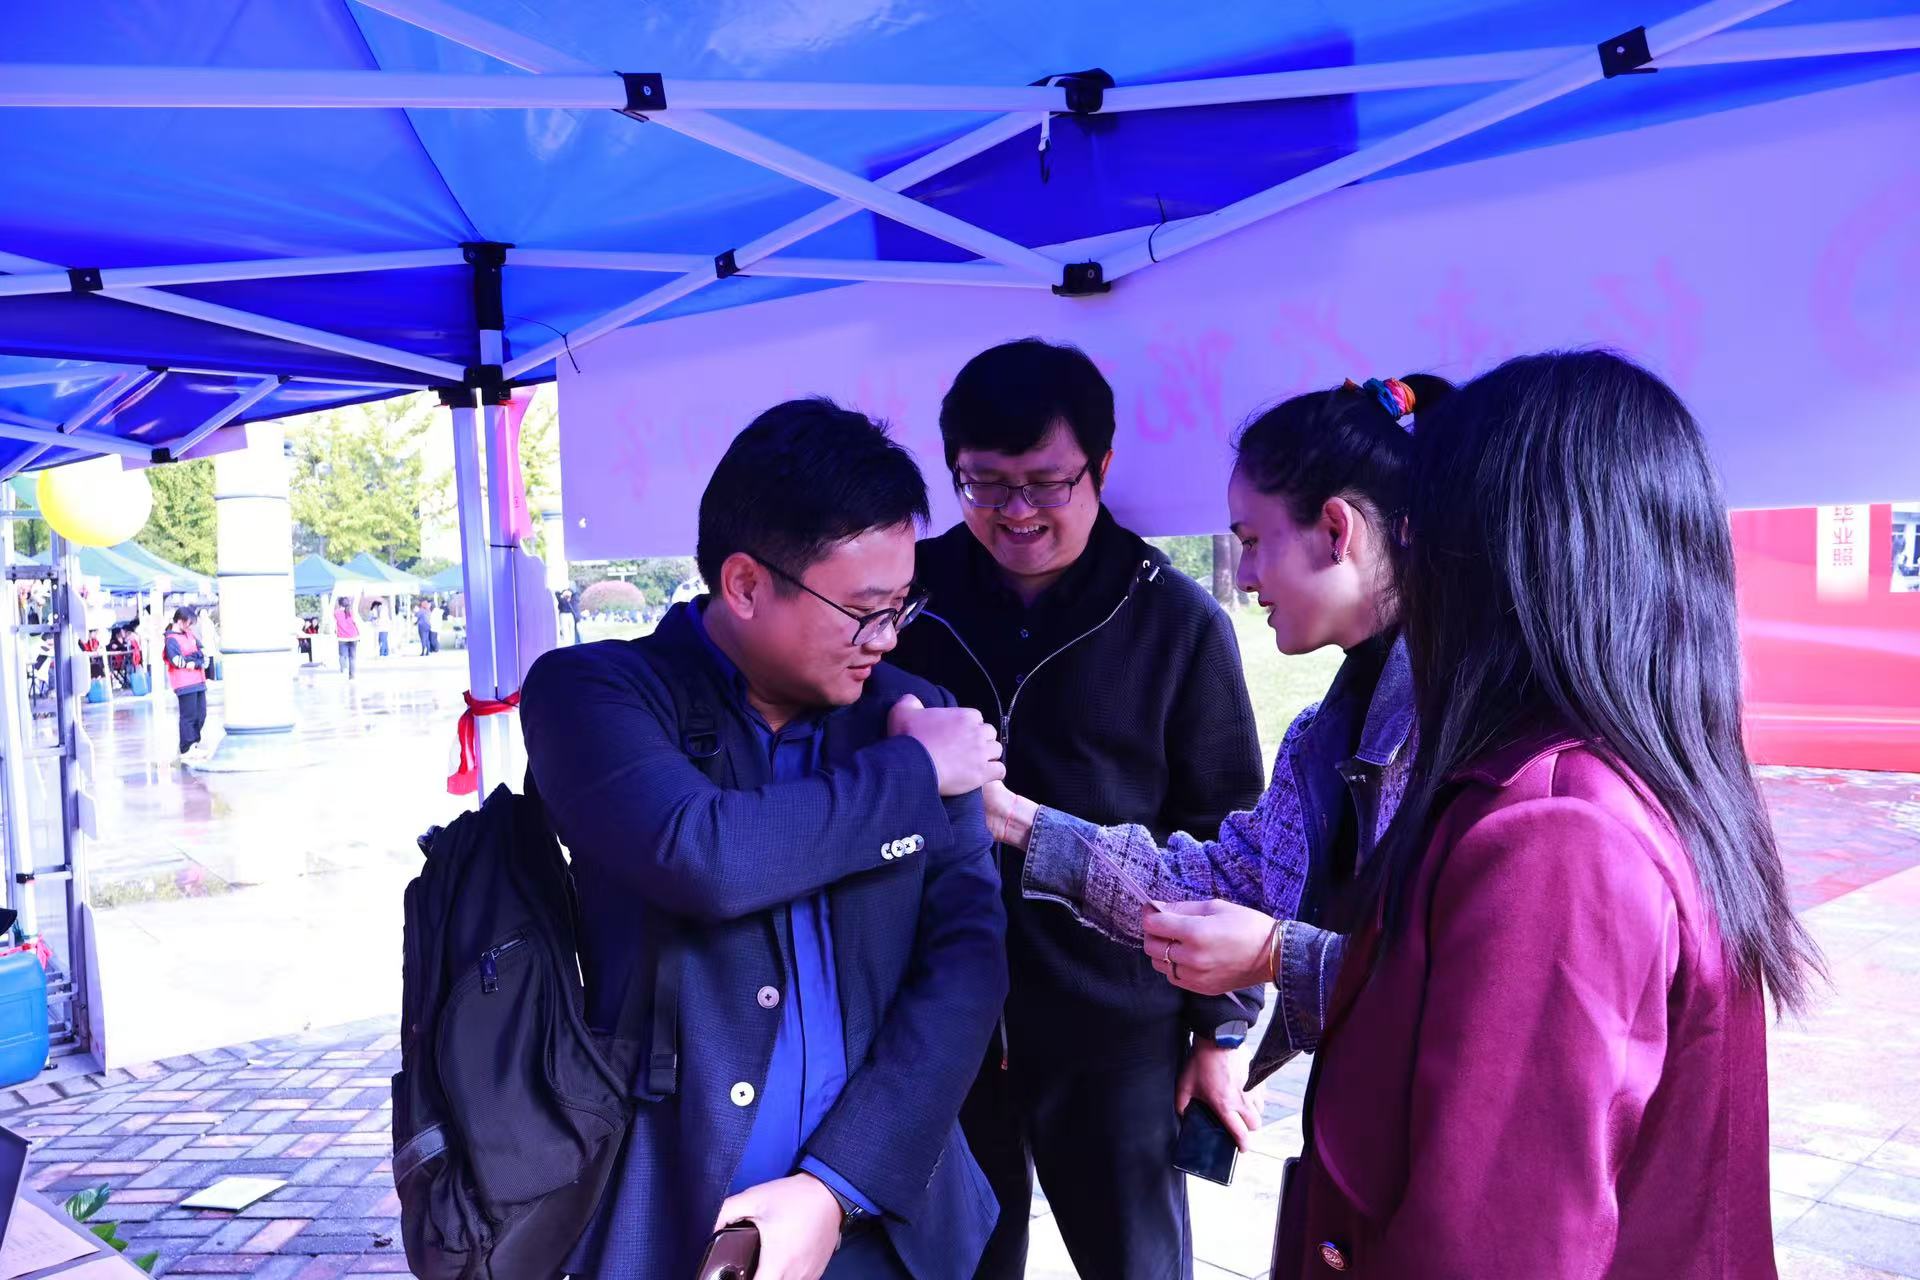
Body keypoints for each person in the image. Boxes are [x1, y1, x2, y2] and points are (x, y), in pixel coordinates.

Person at [521, 398, 1010, 1280]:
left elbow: (967, 966)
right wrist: (911, 775)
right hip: (668, 1220)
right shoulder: (594, 694)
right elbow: (700, 855)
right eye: (863, 610)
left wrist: (836, 1188)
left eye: (901, 606)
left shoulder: (913, 712)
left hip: (889, 1218)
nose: (886, 638)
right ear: (745, 585)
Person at [886, 339, 1266, 1280]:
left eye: (1047, 484)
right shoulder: (902, 602)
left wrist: (1219, 1031)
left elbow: (1228, 845)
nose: (1016, 511)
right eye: (984, 483)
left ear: (1100, 465)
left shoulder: (1176, 621)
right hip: (932, 1018)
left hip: (1117, 1028)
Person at [984, 374, 1446, 1130]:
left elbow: (1471, 992)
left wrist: (1273, 960)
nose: (1248, 576)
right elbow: (1219, 880)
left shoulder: (1466, 738)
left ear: (1337, 530)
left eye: (1254, 542)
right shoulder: (1319, 739)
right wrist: (1011, 819)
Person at [163, 606, 209, 761]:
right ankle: (186, 748)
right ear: (180, 621)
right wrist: (195, 660)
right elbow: (178, 661)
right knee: (189, 716)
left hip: (198, 680)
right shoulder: (171, 639)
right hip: (184, 683)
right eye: (188, 622)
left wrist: (193, 660)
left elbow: (203, 654)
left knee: (201, 714)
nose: (190, 626)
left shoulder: (189, 635)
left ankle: (193, 744)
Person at [332, 597, 359, 679]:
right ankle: (352, 675)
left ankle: (343, 669)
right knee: (352, 658)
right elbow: (355, 623)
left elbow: (334, 623)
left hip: (342, 638)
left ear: (339, 604)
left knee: (342, 655)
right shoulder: (351, 612)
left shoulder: (336, 613)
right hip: (353, 637)